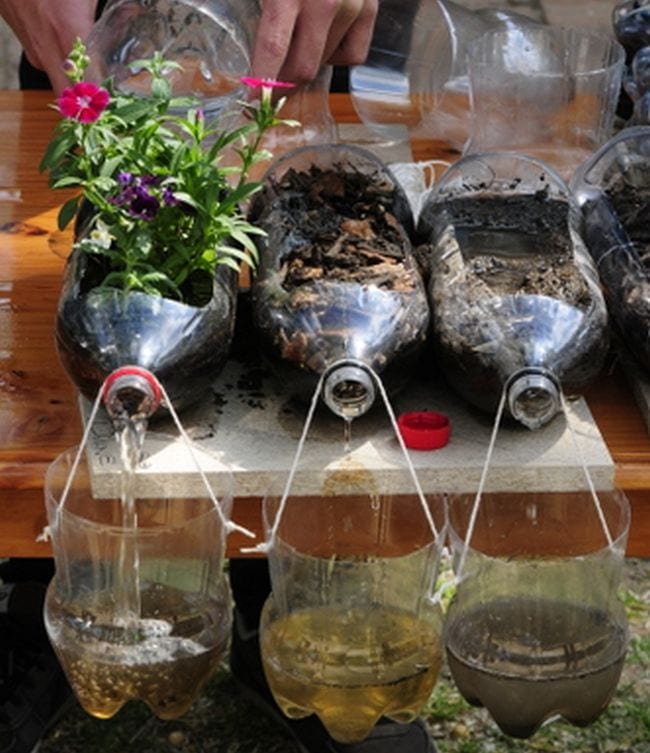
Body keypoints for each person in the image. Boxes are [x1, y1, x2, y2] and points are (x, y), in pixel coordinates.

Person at [0, 1, 438, 751]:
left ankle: (291, 596)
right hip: (103, 26)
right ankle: (43, 588)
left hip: (268, 25)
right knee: (57, 329)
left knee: (285, 246)